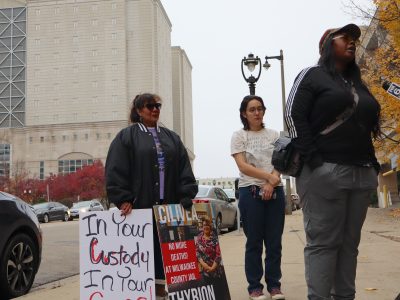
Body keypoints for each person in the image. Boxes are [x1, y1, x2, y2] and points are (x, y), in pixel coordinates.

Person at [285, 24, 381, 300]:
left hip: (361, 174)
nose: (352, 43)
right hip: (325, 172)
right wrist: (315, 161)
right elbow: (293, 116)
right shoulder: (312, 75)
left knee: (349, 245)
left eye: (354, 40)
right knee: (324, 244)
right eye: (345, 38)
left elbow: (367, 127)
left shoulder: (358, 85)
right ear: (328, 44)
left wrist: (373, 166)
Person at [105, 93, 198, 300]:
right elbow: (115, 169)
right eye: (149, 106)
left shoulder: (172, 137)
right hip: (140, 207)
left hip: (170, 207)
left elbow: (184, 168)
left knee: (165, 253)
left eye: (157, 105)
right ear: (139, 111)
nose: (155, 109)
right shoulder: (126, 137)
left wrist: (186, 194)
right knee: (142, 254)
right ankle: (143, 293)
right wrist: (123, 198)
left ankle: (160, 292)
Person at [231, 95, 286, 300]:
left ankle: (274, 286)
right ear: (244, 113)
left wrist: (272, 182)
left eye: (260, 108)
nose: (257, 112)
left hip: (275, 193)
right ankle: (255, 287)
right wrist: (268, 179)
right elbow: (243, 166)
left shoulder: (274, 134)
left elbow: (281, 160)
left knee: (274, 242)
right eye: (252, 109)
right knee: (254, 242)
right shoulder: (239, 136)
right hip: (250, 192)